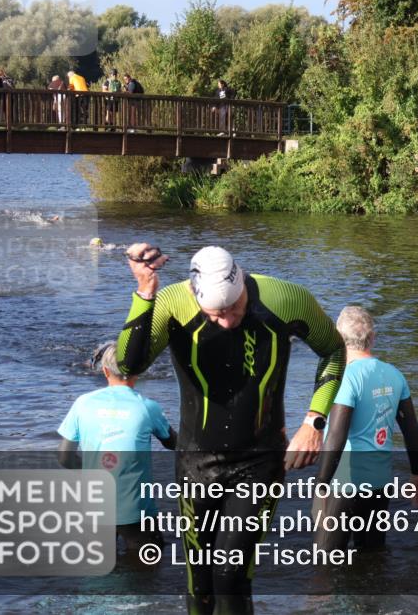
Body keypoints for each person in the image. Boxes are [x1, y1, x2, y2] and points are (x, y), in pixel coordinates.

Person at [117, 244, 346, 614]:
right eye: (215, 314)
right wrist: (145, 292)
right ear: (196, 295)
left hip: (259, 460)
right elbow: (130, 364)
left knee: (231, 574)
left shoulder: (284, 298)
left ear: (241, 282)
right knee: (200, 580)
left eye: (234, 308)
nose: (226, 321)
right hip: (196, 463)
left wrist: (314, 421)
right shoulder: (174, 302)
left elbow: (334, 351)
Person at [312, 306, 418, 554]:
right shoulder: (394, 375)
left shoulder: (346, 377)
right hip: (379, 483)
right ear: (373, 338)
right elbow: (411, 430)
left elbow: (336, 434)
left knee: (326, 561)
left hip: (344, 483)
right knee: (372, 556)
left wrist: (321, 485)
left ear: (338, 339)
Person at [57, 341, 178, 554]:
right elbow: (174, 444)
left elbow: (65, 458)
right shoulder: (147, 406)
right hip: (136, 512)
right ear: (138, 372)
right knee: (147, 570)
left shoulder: (83, 403)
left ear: (104, 371)